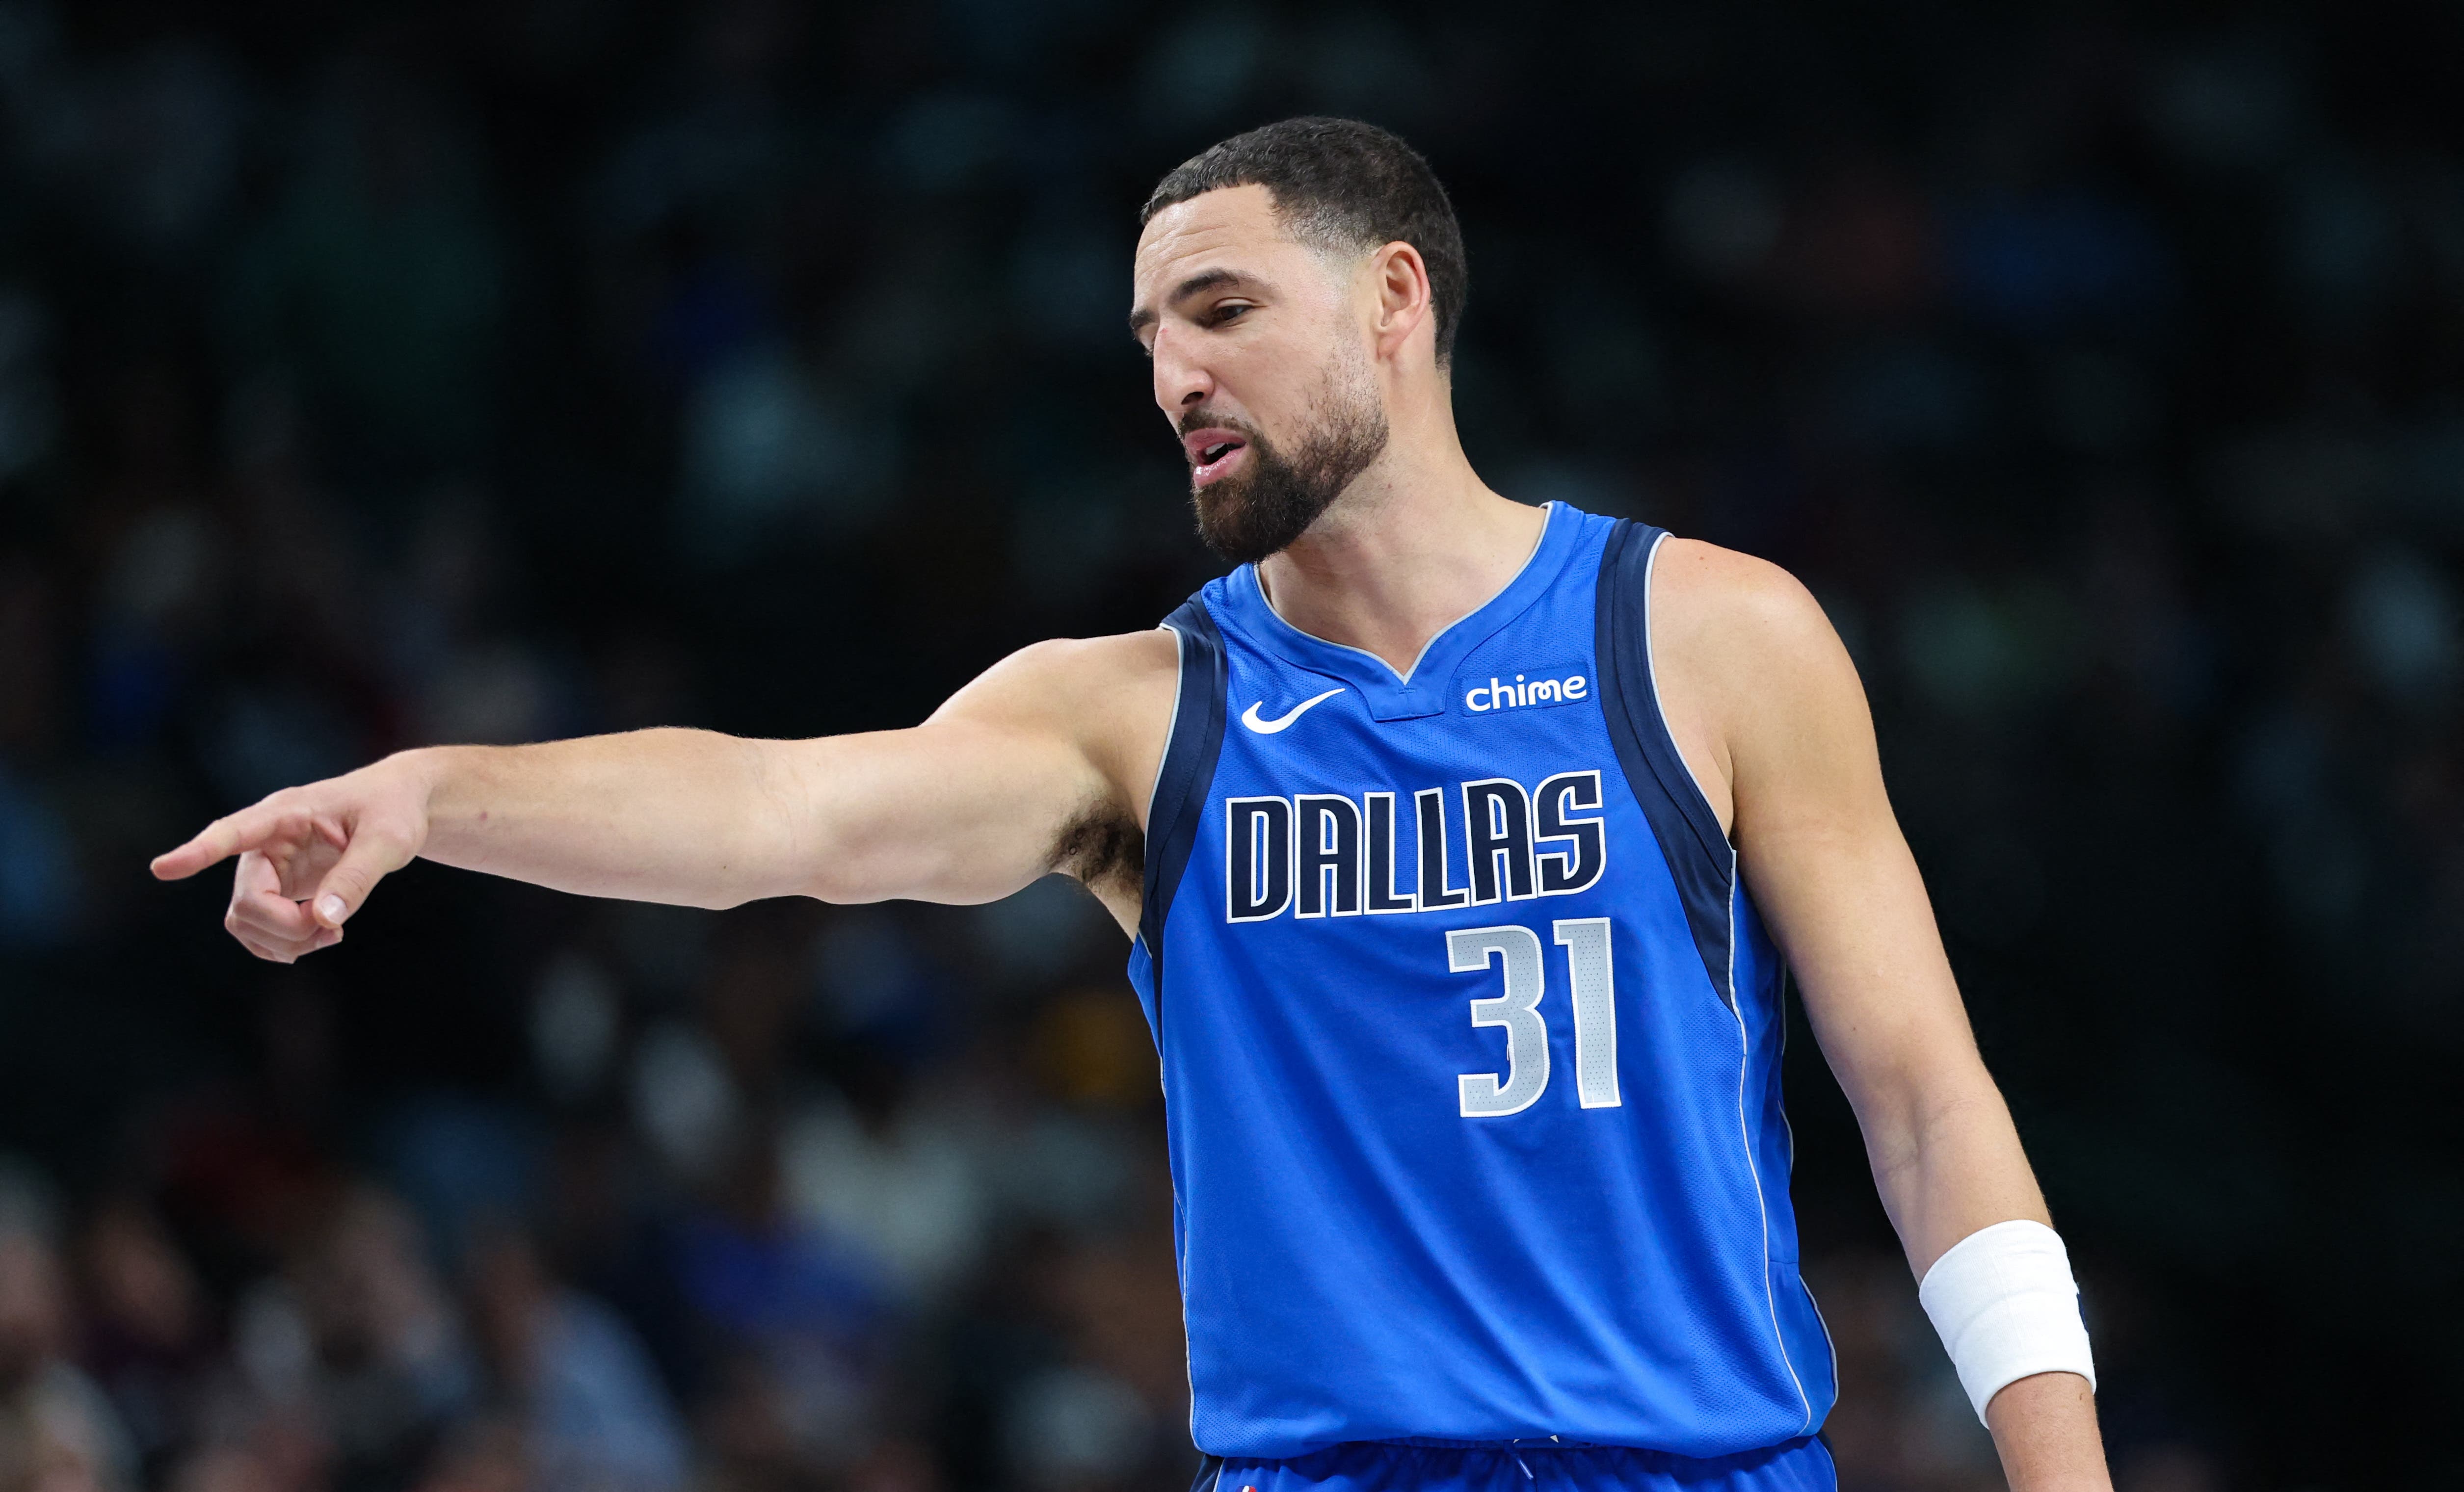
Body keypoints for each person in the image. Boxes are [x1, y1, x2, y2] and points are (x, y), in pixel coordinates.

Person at [155, 118, 2109, 1492]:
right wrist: (434, 792)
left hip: (1703, 1462)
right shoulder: (1134, 713)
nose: (1172, 372)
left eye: (1222, 309)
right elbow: (782, 815)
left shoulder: (1708, 635)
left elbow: (1923, 1101)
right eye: (1150, 335)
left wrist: (2062, 1469)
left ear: (1395, 300)